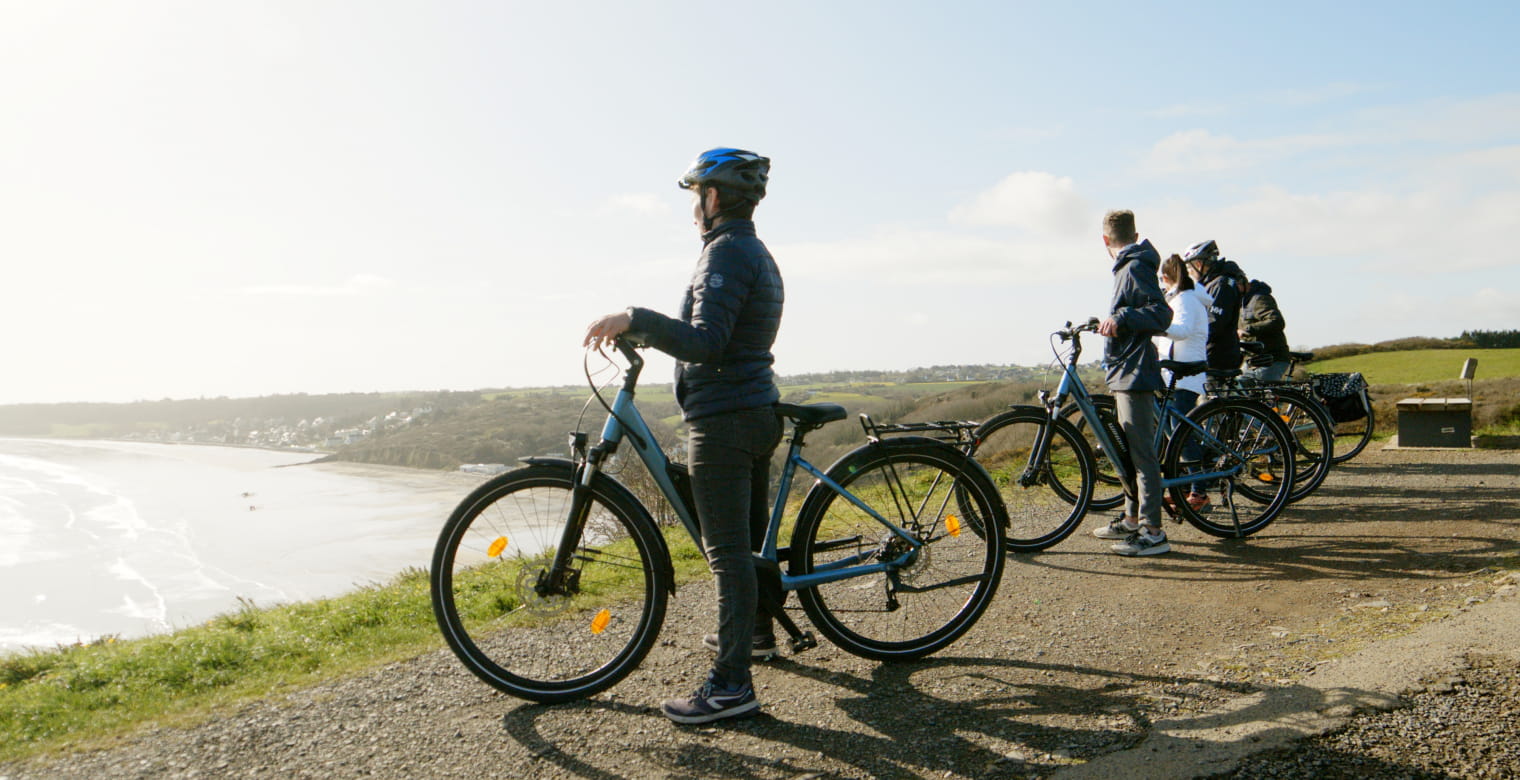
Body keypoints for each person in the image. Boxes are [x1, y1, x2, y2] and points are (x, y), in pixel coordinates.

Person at [583, 148, 783, 724]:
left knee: (725, 557)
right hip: (751, 410)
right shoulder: (753, 250)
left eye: (697, 194)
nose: (693, 206)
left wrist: (635, 318)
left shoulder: (724, 254)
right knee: (742, 546)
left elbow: (707, 341)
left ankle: (731, 687)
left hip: (723, 420)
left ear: (712, 198)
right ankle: (758, 636)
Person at [1090, 210, 1173, 556]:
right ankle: (1131, 518)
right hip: (1126, 369)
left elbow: (1161, 314)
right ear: (1133, 232)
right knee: (1128, 452)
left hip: (1136, 372)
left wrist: (1120, 318)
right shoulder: (1130, 264)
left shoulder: (1136, 265)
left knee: (1142, 455)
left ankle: (1153, 532)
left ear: (1105, 240)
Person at [1152, 253, 1213, 515]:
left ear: (1166, 278)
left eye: (1162, 282)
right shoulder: (1181, 298)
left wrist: (1155, 327)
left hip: (1187, 377)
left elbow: (1183, 330)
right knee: (1174, 434)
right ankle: (1186, 488)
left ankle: (1199, 492)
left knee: (1182, 435)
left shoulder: (1186, 299)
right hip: (1174, 375)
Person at [1182, 240, 1243, 372]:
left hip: (1217, 359)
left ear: (1198, 264)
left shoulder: (1221, 285)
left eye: (1189, 268)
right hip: (1210, 355)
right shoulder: (1211, 284)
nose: (1189, 273)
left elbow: (1213, 324)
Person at [1239, 278, 1291, 381]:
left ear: (1242, 284)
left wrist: (1248, 330)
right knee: (1239, 387)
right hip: (1254, 359)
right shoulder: (1243, 303)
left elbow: (1276, 320)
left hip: (1271, 358)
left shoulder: (1259, 299)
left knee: (1263, 392)